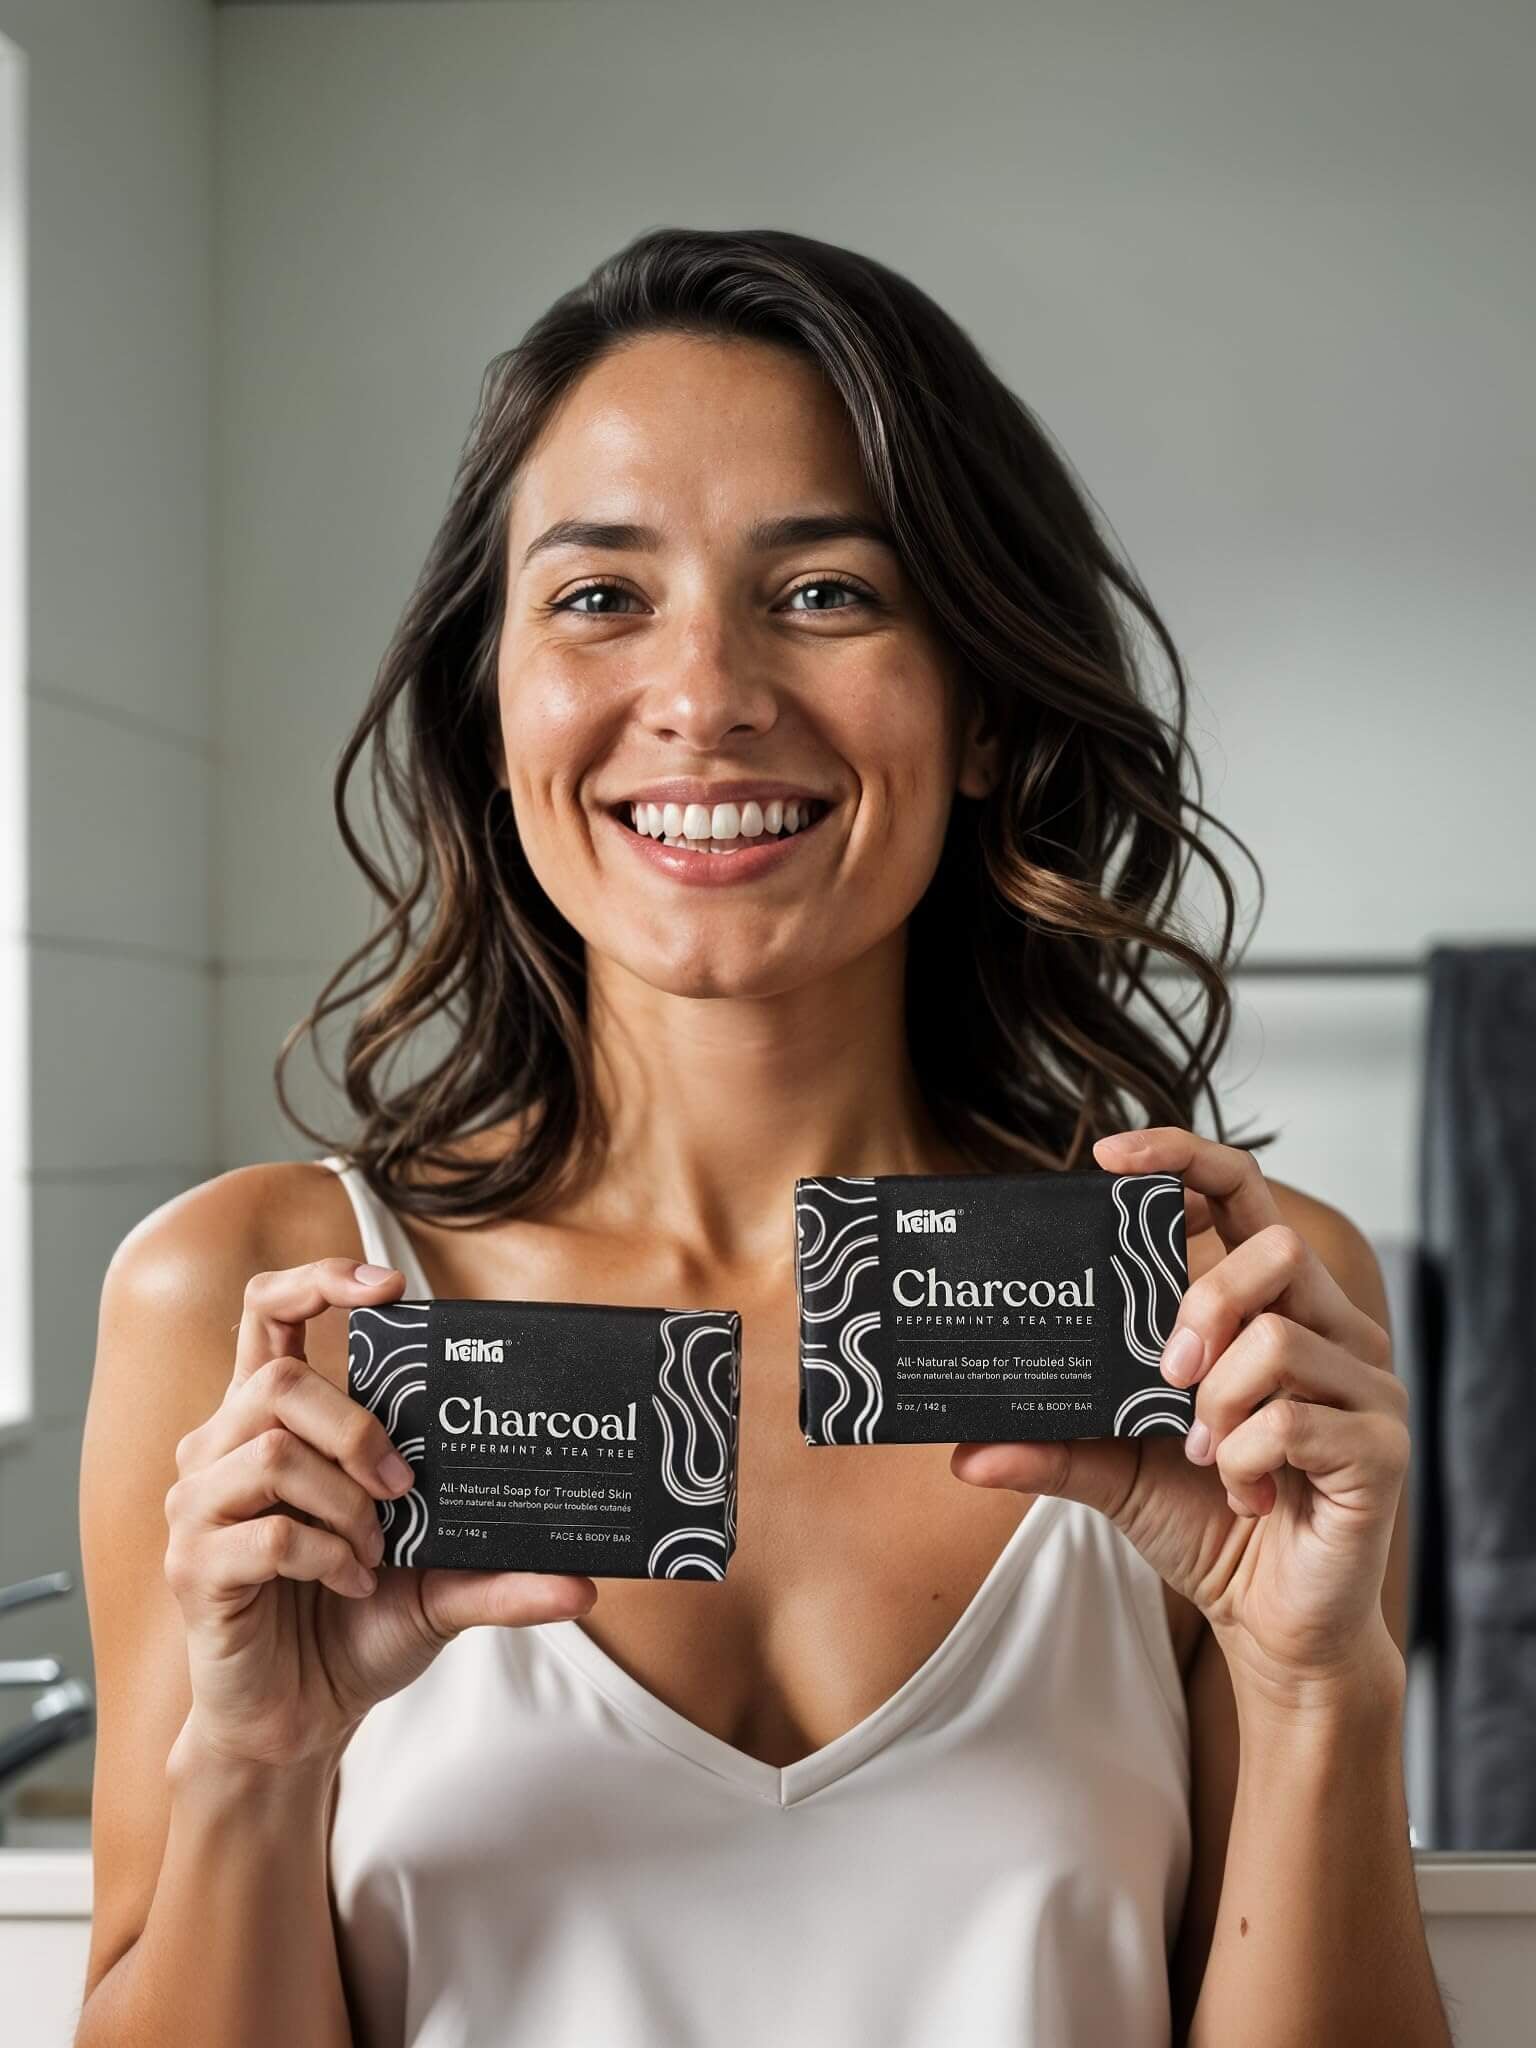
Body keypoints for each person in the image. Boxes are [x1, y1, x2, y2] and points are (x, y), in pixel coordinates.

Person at [73, 227, 1449, 2047]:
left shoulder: (1229, 1315)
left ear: (980, 709)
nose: (707, 692)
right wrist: (256, 1756)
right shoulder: (249, 1303)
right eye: (597, 597)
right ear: (493, 708)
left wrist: (1320, 1685)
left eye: (825, 594)